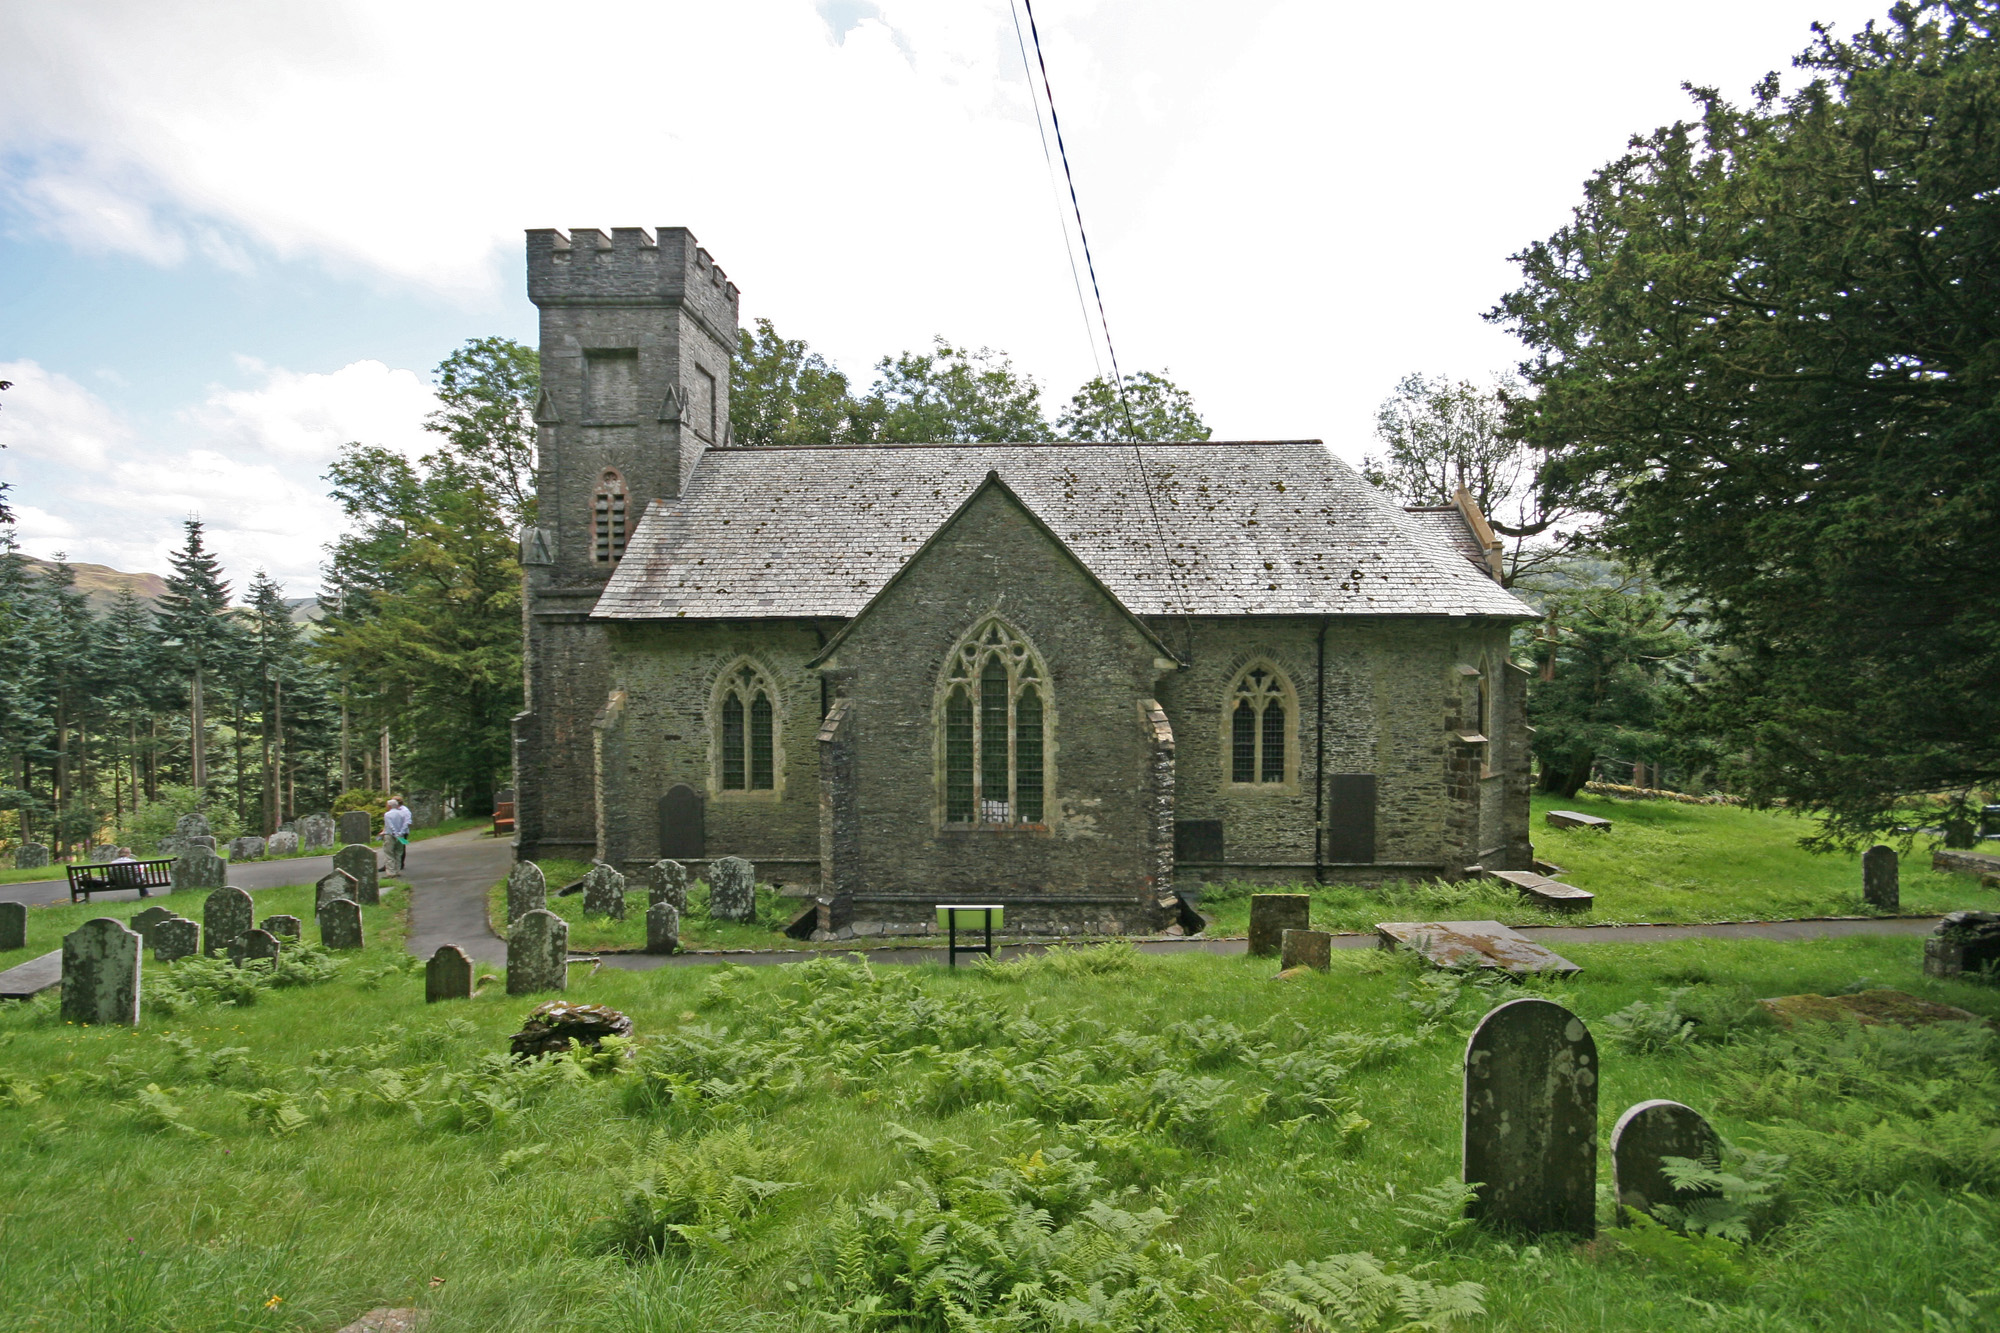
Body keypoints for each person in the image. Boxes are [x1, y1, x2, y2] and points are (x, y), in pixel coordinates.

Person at [382, 797, 413, 874]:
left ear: (389, 806)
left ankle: (391, 872)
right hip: (401, 835)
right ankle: (397, 870)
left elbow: (390, 825)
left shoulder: (387, 814)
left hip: (391, 835)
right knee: (399, 852)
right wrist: (401, 833)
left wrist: (395, 833)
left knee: (389, 853)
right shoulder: (402, 813)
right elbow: (406, 823)